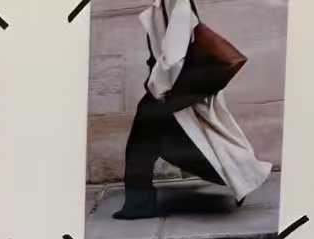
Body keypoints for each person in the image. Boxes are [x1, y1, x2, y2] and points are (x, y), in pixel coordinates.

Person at [114, 0, 272, 220]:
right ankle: (239, 176)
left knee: (149, 142)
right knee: (161, 143)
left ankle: (140, 204)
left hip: (170, 89)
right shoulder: (165, 4)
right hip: (169, 88)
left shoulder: (177, 3)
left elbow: (175, 57)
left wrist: (157, 90)